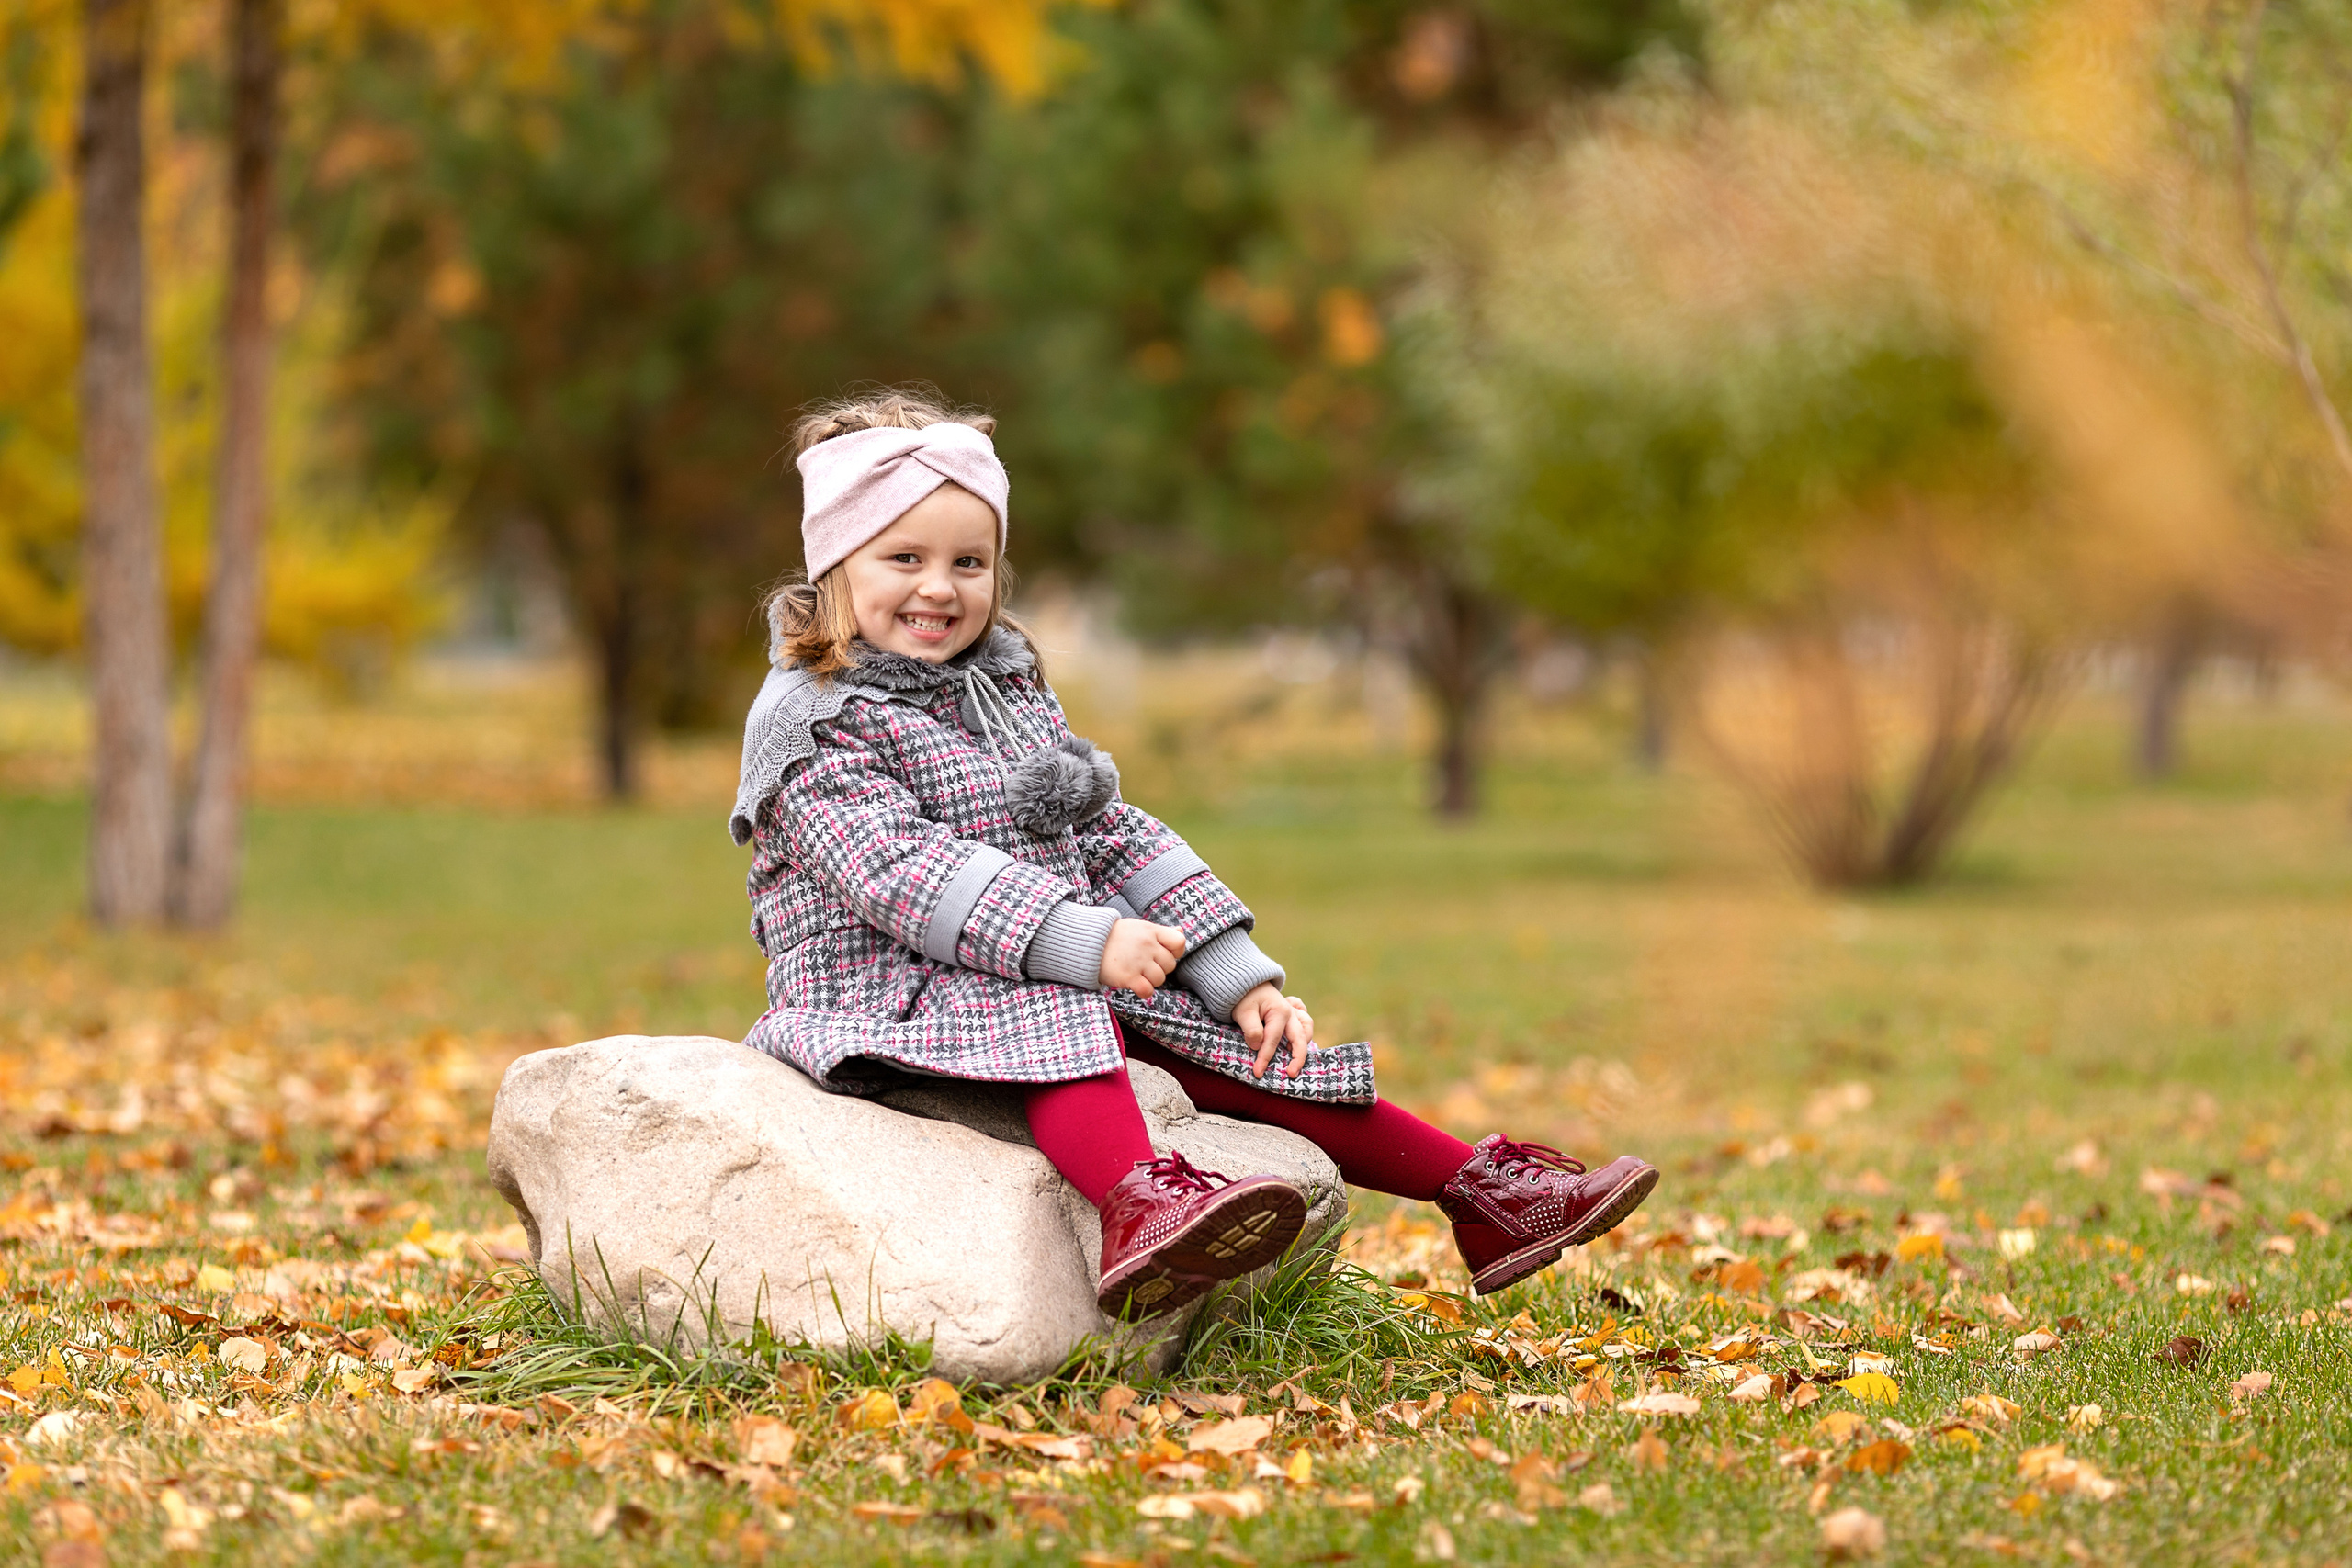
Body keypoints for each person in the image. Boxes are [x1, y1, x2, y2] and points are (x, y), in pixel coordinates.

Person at [732, 388, 1657, 1319]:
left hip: (1035, 951)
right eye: (905, 559)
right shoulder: (813, 722)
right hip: (883, 987)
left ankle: (1482, 1196)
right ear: (837, 567)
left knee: (1229, 1043)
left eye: (969, 562)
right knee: (1055, 1001)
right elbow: (895, 872)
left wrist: (1233, 975)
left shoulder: (1000, 687)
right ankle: (1140, 1204)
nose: (940, 587)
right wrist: (1083, 942)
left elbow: (1104, 829)